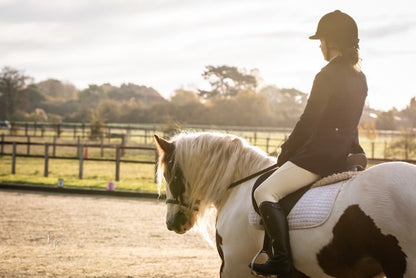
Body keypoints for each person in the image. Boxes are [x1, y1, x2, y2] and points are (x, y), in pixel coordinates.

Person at [250, 10, 368, 277]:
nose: (320, 46)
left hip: (320, 157)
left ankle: (280, 259)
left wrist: (286, 152)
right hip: (350, 155)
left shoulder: (326, 75)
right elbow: (351, 121)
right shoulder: (359, 76)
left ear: (332, 41)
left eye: (321, 40)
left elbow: (309, 121)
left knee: (264, 192)